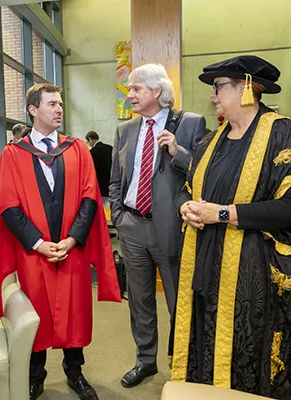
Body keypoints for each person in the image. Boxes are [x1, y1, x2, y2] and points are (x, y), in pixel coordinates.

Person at [172, 55, 291, 400]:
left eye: (219, 87)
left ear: (247, 88)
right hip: (206, 261)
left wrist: (222, 214)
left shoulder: (282, 134)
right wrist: (185, 206)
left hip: (253, 272)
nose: (213, 96)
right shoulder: (210, 142)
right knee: (204, 337)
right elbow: (187, 186)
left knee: (246, 349)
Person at [0, 83, 121, 400]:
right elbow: (8, 206)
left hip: (71, 250)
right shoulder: (13, 154)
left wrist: (72, 239)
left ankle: (76, 374)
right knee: (36, 313)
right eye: (51, 104)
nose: (59, 109)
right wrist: (38, 243)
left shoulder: (75, 150)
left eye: (60, 104)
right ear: (33, 110)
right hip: (34, 254)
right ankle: (36, 377)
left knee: (74, 312)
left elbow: (90, 199)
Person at [109, 63, 206, 388]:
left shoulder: (191, 124)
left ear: (156, 90)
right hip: (132, 227)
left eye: (136, 88)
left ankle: (182, 366)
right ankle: (145, 360)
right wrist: (119, 219)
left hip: (172, 229)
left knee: (180, 301)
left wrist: (178, 152)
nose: (130, 93)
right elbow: (116, 181)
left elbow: (205, 173)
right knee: (139, 301)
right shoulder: (124, 130)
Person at [85, 131, 113, 197]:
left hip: (99, 183)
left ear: (90, 139)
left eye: (87, 141)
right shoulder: (110, 148)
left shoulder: (92, 152)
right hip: (110, 182)